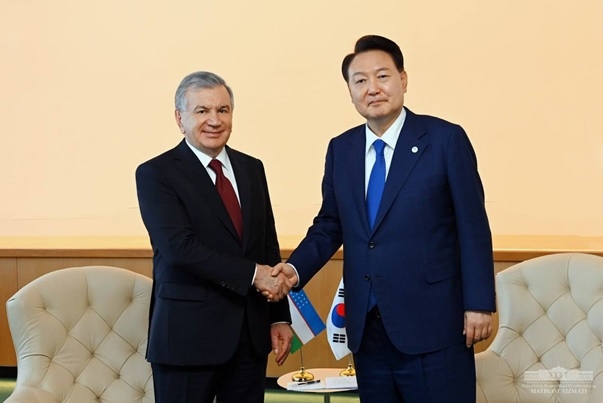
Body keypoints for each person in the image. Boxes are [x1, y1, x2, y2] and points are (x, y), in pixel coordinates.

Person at [270, 35, 496, 402]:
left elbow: (472, 227)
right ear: (350, 91)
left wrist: (479, 303)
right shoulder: (341, 149)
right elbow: (330, 224)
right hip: (367, 329)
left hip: (434, 325)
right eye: (360, 80)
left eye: (382, 76)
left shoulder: (444, 140)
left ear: (403, 80)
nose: (372, 88)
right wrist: (293, 271)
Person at [135, 71, 293, 403]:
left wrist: (278, 317)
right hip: (187, 339)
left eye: (222, 110)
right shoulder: (156, 173)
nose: (214, 120)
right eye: (202, 111)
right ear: (180, 118)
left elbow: (267, 243)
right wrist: (254, 275)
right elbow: (180, 249)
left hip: (249, 339)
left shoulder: (252, 168)